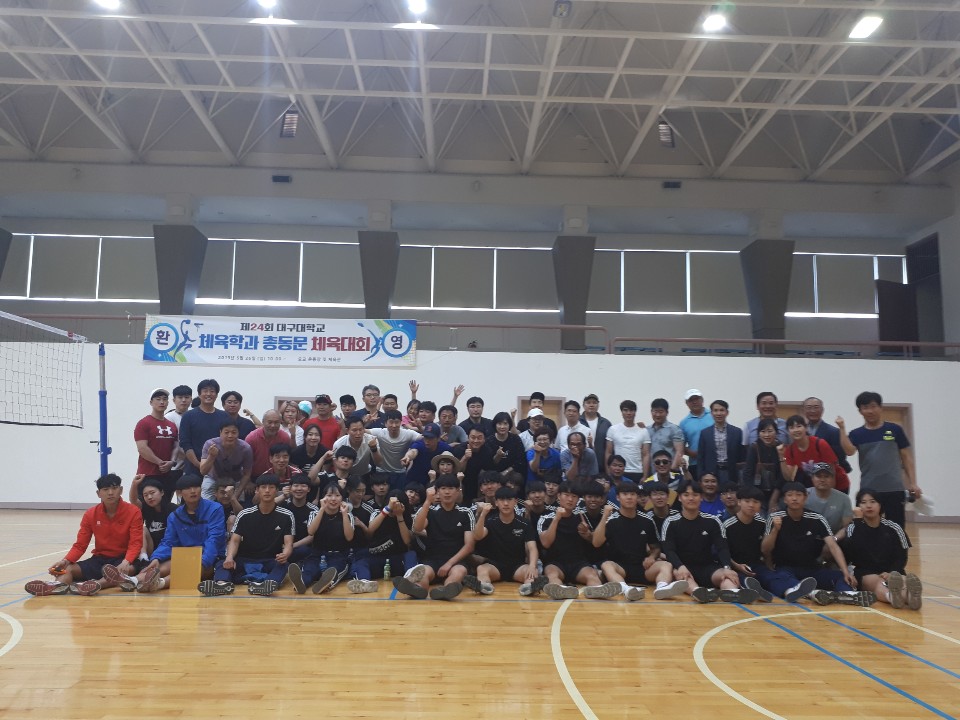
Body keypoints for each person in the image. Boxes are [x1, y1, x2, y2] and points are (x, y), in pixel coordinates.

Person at [756, 482, 874, 606]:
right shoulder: (774, 518)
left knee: (840, 576)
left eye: (798, 495)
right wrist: (775, 529)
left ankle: (847, 594)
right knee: (778, 578)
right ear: (784, 499)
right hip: (785, 568)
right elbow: (765, 549)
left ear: (805, 497)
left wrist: (845, 571)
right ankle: (812, 593)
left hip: (812, 568)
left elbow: (833, 546)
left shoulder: (817, 518)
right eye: (790, 495)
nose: (794, 498)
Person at [104, 474, 226, 593]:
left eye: (196, 487)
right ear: (179, 493)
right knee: (159, 566)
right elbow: (168, 542)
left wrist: (203, 561)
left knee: (189, 565)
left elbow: (214, 539)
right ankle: (133, 580)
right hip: (187, 555)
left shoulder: (215, 509)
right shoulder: (175, 516)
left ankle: (159, 583)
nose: (193, 491)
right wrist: (156, 557)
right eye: (188, 488)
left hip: (211, 558)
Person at [26, 474, 143, 597]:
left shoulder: (133, 512)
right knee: (68, 569)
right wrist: (65, 560)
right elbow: (80, 545)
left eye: (114, 488)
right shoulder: (90, 514)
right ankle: (56, 586)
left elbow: (135, 543)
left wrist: (126, 561)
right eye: (105, 489)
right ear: (98, 493)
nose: (110, 493)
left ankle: (95, 585)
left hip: (123, 559)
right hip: (99, 559)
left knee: (123, 571)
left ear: (121, 490)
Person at [659, 479, 758, 604]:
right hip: (682, 566)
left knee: (726, 576)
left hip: (707, 567)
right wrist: (680, 566)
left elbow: (722, 547)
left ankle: (734, 593)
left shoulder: (712, 521)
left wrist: (727, 567)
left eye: (695, 495)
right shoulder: (671, 522)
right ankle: (698, 592)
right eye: (686, 495)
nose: (691, 498)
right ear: (679, 498)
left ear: (701, 497)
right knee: (684, 578)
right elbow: (669, 550)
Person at [593, 482, 688, 601]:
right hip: (620, 568)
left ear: (637, 497)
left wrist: (652, 557)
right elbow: (596, 543)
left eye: (632, 494)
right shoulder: (612, 520)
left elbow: (656, 547)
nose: (629, 497)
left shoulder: (647, 520)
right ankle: (626, 590)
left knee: (666, 565)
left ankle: (662, 588)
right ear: (618, 497)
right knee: (606, 565)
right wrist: (605, 516)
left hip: (642, 567)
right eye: (625, 494)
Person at [840, 391, 920, 531]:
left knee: (896, 528)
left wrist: (913, 483)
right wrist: (842, 429)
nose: (870, 411)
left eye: (873, 406)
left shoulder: (895, 430)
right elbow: (849, 451)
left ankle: (897, 547)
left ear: (880, 408)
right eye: (865, 407)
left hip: (894, 488)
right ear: (860, 411)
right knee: (868, 528)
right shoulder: (856, 434)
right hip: (869, 489)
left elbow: (906, 457)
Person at [206, 474, 294, 597]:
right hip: (244, 559)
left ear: (277, 491)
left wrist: (285, 555)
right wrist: (229, 557)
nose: (267, 491)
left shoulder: (287, 515)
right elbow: (234, 540)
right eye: (263, 487)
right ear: (257, 490)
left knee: (283, 565)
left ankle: (267, 585)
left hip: (270, 560)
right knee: (223, 563)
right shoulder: (244, 514)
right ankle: (222, 584)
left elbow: (289, 543)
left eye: (271, 487)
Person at [394, 476, 475, 601]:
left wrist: (449, 564)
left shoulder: (466, 513)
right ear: (437, 491)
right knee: (423, 573)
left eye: (451, 488)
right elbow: (417, 528)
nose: (447, 492)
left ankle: (446, 590)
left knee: (458, 572)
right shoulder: (430, 510)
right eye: (443, 488)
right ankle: (418, 589)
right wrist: (427, 501)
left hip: (456, 561)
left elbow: (469, 545)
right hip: (432, 559)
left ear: (458, 491)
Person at [537, 482, 621, 601]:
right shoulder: (546, 518)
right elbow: (546, 543)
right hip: (555, 562)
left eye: (574, 496)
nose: (570, 499)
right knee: (552, 575)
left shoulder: (581, 517)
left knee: (592, 575)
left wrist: (587, 534)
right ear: (559, 496)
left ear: (578, 499)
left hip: (578, 563)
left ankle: (597, 591)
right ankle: (560, 590)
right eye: (566, 495)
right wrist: (556, 519)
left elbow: (594, 542)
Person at [842, 488, 921, 609]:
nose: (868, 506)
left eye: (873, 501)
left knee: (903, 581)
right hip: (866, 572)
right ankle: (893, 597)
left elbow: (901, 557)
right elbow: (851, 552)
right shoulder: (854, 527)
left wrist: (892, 572)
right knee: (879, 583)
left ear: (880, 505)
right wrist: (858, 522)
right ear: (858, 506)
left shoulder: (894, 528)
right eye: (863, 502)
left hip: (892, 571)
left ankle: (911, 597)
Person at [465, 486, 542, 596]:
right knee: (482, 569)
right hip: (495, 566)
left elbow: (532, 548)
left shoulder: (524, 523)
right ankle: (484, 586)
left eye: (509, 500)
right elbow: (477, 536)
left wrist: (532, 566)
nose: (506, 504)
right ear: (496, 503)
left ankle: (529, 587)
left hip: (517, 566)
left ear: (515, 502)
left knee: (530, 572)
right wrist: (483, 514)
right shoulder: (490, 521)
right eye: (502, 500)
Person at [287, 482, 355, 595]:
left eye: (337, 495)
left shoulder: (348, 516)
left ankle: (326, 584)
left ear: (342, 499)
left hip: (338, 555)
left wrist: (344, 514)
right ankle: (301, 583)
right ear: (323, 498)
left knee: (334, 570)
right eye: (329, 495)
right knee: (309, 570)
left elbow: (349, 537)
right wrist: (322, 509)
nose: (333, 499)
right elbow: (311, 532)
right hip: (317, 554)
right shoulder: (314, 514)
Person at [358, 473, 418, 591]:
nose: (395, 507)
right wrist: (387, 510)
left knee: (411, 555)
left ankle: (410, 582)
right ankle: (364, 583)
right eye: (392, 505)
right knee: (361, 562)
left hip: (397, 558)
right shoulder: (377, 513)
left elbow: (407, 541)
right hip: (377, 557)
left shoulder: (408, 517)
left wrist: (399, 516)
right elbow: (370, 530)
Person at [722, 486, 775, 602]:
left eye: (756, 502)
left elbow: (766, 550)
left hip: (756, 565)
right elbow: (722, 551)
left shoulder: (763, 524)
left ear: (760, 505)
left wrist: (769, 565)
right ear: (739, 502)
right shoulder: (727, 525)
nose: (751, 505)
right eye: (747, 501)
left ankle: (772, 590)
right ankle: (752, 589)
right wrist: (737, 566)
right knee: (739, 579)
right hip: (735, 566)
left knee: (771, 577)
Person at [178, 379, 230, 479]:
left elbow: (228, 441)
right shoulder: (188, 416)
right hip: (193, 468)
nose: (208, 394)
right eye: (205, 391)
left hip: (219, 469)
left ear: (216, 395)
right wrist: (200, 465)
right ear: (199, 394)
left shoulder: (224, 416)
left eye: (212, 391)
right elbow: (185, 443)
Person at [133, 388, 179, 497]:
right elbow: (142, 448)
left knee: (165, 503)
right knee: (147, 505)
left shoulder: (171, 425)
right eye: (158, 399)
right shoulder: (144, 423)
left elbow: (175, 446)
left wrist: (172, 462)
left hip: (166, 474)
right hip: (147, 474)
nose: (162, 402)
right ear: (151, 402)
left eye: (164, 399)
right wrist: (160, 462)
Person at [782, 415, 846, 491]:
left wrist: (830, 493)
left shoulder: (820, 444)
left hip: (838, 484)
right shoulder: (790, 450)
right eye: (791, 427)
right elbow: (788, 477)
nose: (796, 430)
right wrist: (781, 456)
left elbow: (832, 471)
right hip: (817, 486)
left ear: (806, 428)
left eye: (799, 426)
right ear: (788, 431)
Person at [199, 419, 253, 502]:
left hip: (235, 480)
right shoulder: (210, 444)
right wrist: (211, 456)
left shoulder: (245, 448)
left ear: (238, 433)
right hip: (213, 478)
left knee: (239, 504)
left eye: (234, 432)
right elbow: (203, 471)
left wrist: (236, 496)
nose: (230, 436)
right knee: (205, 503)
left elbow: (246, 474)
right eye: (226, 432)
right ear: (220, 433)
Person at [368, 409, 422, 492]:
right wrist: (366, 423)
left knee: (398, 496)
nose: (394, 425)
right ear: (385, 423)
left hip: (400, 472)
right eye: (391, 422)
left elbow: (425, 438)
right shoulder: (380, 432)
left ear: (401, 422)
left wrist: (420, 428)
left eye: (397, 422)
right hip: (382, 472)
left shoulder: (408, 433)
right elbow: (361, 431)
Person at [696, 399, 744, 486]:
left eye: (722, 410)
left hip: (731, 472)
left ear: (727, 412)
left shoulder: (737, 432)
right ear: (711, 413)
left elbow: (742, 456)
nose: (719, 413)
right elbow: (700, 457)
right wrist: (700, 476)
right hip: (711, 473)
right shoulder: (705, 433)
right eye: (715, 410)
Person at [802, 397, 853, 478]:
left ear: (822, 410)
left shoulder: (834, 432)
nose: (813, 411)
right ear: (804, 410)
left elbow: (839, 457)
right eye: (809, 408)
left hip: (827, 476)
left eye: (816, 407)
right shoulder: (800, 432)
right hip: (806, 476)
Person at [742, 418, 785, 513]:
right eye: (763, 431)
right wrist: (754, 497)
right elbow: (747, 474)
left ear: (776, 432)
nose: (767, 435)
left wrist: (774, 498)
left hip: (777, 492)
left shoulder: (781, 447)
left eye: (770, 431)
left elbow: (783, 475)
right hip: (757, 492)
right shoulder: (754, 448)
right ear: (758, 433)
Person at [128, 475, 175, 559]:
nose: (149, 497)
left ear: (162, 492)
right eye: (145, 495)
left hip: (169, 548)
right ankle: (143, 558)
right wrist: (134, 484)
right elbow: (134, 500)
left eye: (152, 493)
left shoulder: (173, 509)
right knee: (142, 528)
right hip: (152, 548)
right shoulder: (146, 508)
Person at [605, 400, 651, 482]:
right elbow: (608, 452)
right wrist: (608, 473)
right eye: (625, 410)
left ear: (635, 412)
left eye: (631, 410)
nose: (628, 413)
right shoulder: (613, 429)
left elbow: (646, 454)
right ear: (621, 412)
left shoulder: (643, 431)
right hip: (618, 471)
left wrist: (645, 476)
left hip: (637, 471)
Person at [805, 463, 853, 536]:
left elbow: (846, 527)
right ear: (812, 478)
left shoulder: (844, 498)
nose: (822, 480)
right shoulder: (803, 495)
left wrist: (834, 539)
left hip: (835, 537)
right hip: (808, 537)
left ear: (833, 479)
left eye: (826, 476)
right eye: (818, 476)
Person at [282, 475, 319, 565]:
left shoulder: (314, 510)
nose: (299, 489)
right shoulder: (283, 505)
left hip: (301, 547)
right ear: (290, 488)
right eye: (296, 485)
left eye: (303, 486)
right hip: (282, 546)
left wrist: (291, 546)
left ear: (309, 489)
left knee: (304, 551)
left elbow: (312, 536)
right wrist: (283, 496)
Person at [245, 410, 292, 478]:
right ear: (263, 422)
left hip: (278, 477)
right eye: (270, 422)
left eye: (276, 422)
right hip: (256, 477)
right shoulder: (252, 438)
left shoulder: (285, 437)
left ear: (280, 422)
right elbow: (246, 462)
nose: (273, 425)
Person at [679, 389, 713, 479]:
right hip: (695, 464)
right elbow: (681, 446)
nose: (694, 402)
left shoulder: (713, 415)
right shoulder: (684, 423)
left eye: (697, 399)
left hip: (714, 462)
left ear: (702, 400)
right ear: (687, 403)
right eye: (691, 400)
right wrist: (694, 454)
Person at [647, 398, 686, 472]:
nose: (658, 415)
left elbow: (679, 451)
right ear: (651, 412)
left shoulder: (674, 429)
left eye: (661, 412)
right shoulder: (647, 430)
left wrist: (672, 470)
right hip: (652, 473)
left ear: (667, 412)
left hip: (670, 472)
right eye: (655, 411)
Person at [486, 411, 528, 478]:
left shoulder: (515, 439)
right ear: (495, 425)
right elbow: (489, 464)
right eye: (499, 424)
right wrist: (498, 456)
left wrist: (506, 472)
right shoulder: (489, 441)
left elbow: (520, 461)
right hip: (494, 475)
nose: (502, 427)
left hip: (512, 475)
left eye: (505, 424)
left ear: (509, 425)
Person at [579, 393, 612, 472]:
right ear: (583, 405)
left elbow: (609, 447)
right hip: (581, 465)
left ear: (598, 405)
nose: (591, 405)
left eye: (594, 403)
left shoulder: (606, 423)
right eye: (588, 403)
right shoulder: (578, 421)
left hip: (601, 466)